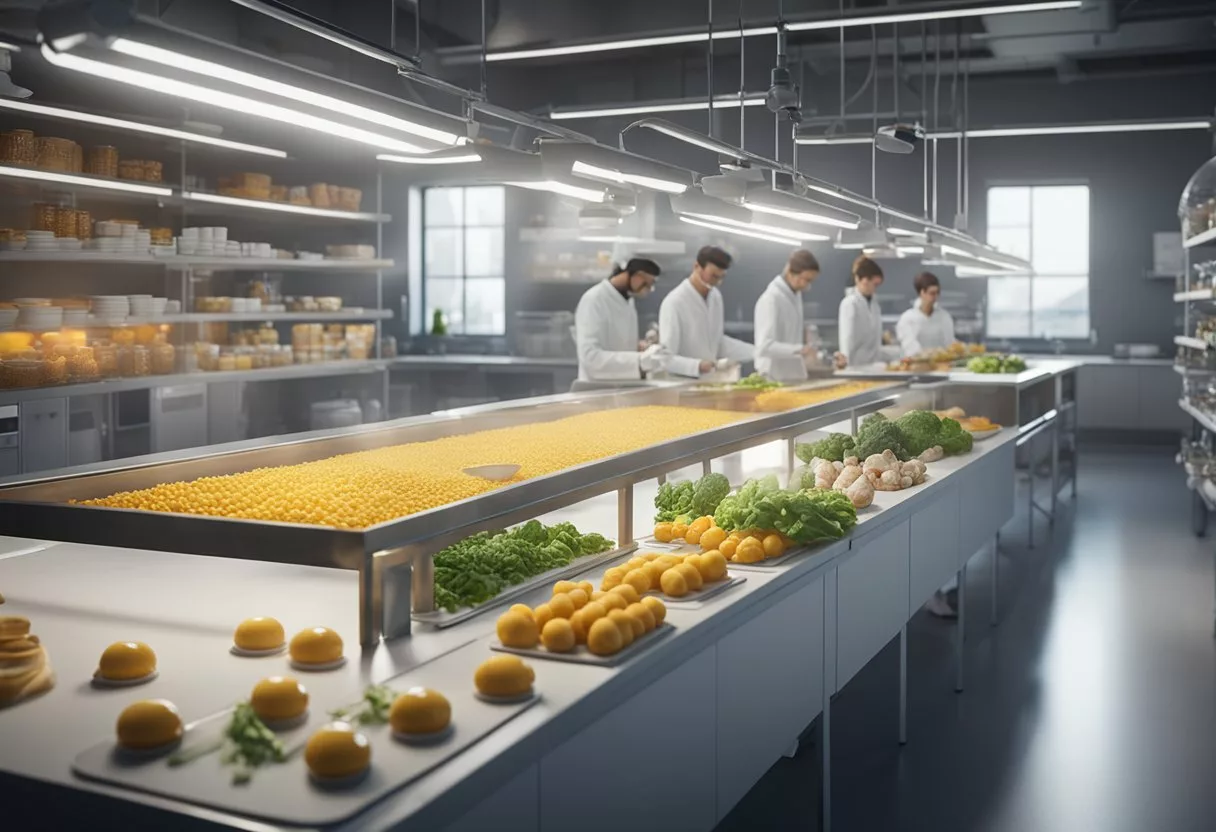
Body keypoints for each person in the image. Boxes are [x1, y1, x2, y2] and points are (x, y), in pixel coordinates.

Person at [659, 245, 753, 378]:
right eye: (713, 276)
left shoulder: (715, 296)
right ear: (697, 266)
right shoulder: (674, 302)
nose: (718, 282)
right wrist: (697, 365)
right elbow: (665, 359)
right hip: (683, 384)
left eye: (722, 277)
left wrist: (756, 352)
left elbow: (717, 342)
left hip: (710, 381)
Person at [574, 258, 667, 381]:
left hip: (623, 386)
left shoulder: (627, 301)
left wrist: (641, 347)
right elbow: (591, 358)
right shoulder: (594, 300)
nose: (648, 290)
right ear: (635, 275)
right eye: (646, 284)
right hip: (596, 388)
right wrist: (639, 361)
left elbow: (619, 345)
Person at [753, 249, 819, 382]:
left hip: (792, 376)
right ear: (790, 272)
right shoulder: (771, 299)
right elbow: (764, 346)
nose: (807, 286)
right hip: (773, 377)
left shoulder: (795, 295)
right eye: (806, 280)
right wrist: (800, 349)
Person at [837, 254, 899, 369]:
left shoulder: (874, 305)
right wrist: (845, 364)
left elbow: (875, 344)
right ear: (863, 280)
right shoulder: (850, 304)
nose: (875, 288)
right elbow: (847, 339)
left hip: (873, 365)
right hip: (855, 367)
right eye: (874, 284)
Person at [896, 271, 956, 356]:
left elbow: (950, 343)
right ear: (922, 293)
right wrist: (926, 355)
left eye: (937, 293)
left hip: (942, 366)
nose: (935, 297)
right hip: (917, 366)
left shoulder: (944, 317)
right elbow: (909, 345)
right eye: (932, 293)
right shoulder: (907, 318)